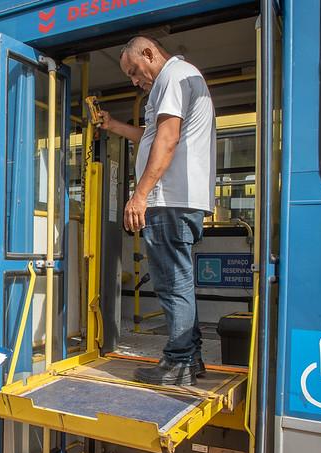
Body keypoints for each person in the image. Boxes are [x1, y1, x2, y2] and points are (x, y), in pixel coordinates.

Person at [99, 36, 216, 386]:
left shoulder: (173, 76)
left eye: (135, 71)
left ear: (150, 53)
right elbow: (152, 134)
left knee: (171, 284)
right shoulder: (176, 80)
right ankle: (189, 360)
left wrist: (140, 196)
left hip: (169, 200)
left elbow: (167, 140)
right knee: (177, 281)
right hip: (180, 200)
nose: (135, 81)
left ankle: (179, 363)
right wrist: (114, 126)